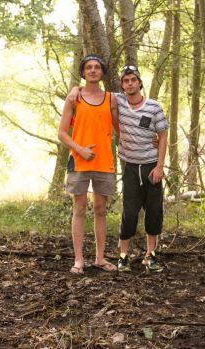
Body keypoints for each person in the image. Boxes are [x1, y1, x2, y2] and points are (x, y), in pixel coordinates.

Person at [68, 64, 168, 272]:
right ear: (122, 85)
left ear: (140, 83)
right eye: (126, 81)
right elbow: (91, 90)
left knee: (153, 212)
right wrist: (75, 88)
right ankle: (123, 256)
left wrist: (160, 165)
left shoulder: (154, 106)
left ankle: (151, 256)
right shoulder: (116, 100)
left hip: (151, 166)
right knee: (129, 213)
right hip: (129, 165)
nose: (130, 84)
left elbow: (163, 135)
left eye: (134, 80)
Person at [58, 54, 119, 274]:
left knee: (101, 209)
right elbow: (62, 133)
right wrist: (80, 149)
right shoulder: (74, 98)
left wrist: (149, 139)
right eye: (88, 68)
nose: (93, 71)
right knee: (79, 208)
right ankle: (79, 260)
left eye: (97, 67)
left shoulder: (111, 98)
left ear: (102, 72)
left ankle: (100, 258)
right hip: (79, 161)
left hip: (104, 161)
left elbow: (122, 127)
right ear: (83, 72)